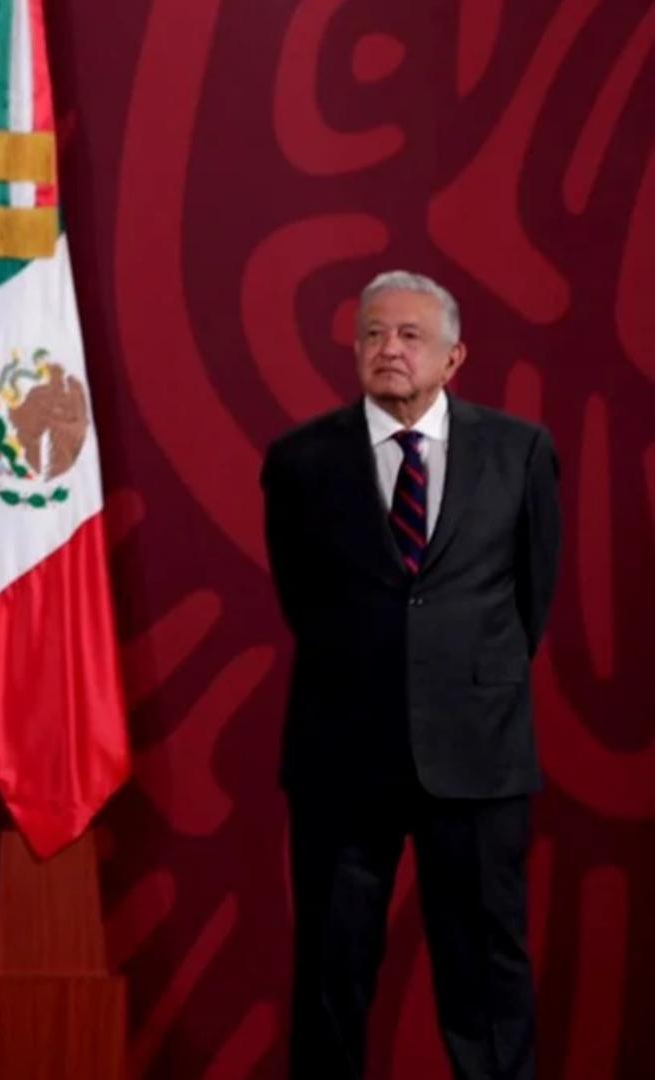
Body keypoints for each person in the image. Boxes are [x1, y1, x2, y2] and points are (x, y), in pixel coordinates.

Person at [261, 270, 562, 1079]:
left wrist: (458, 684)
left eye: (408, 336)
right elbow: (303, 599)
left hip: (477, 752)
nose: (387, 349)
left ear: (453, 356)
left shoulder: (520, 452)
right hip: (342, 755)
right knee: (331, 973)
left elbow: (531, 599)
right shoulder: (299, 462)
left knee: (487, 979)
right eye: (371, 335)